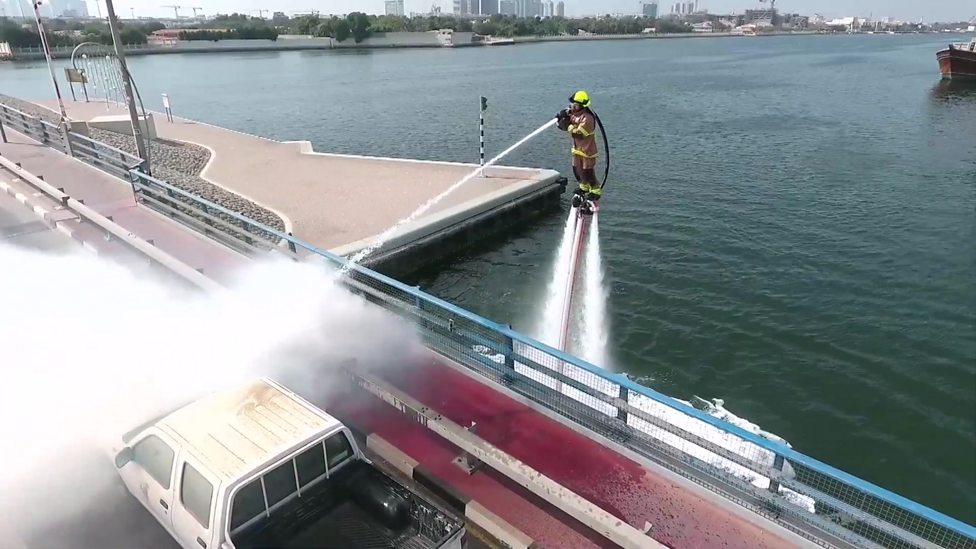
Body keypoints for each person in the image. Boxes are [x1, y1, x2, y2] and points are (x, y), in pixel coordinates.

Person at [556, 90, 601, 206]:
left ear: (581, 105)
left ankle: (595, 190)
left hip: (587, 151)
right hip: (577, 150)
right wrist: (561, 118)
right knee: (577, 170)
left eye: (575, 104)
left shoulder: (588, 118)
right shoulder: (575, 114)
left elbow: (579, 134)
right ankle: (583, 187)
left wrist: (569, 126)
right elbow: (565, 125)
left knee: (588, 172)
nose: (572, 106)